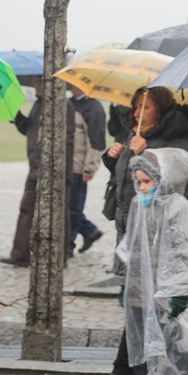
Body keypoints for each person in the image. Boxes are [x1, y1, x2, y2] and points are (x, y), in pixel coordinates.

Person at [93, 86, 188, 375]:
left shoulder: (180, 136)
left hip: (161, 236)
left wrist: (145, 151)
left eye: (144, 108)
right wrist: (113, 158)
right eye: (135, 107)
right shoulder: (133, 133)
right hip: (133, 226)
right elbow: (127, 177)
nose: (136, 113)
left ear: (162, 111)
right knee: (137, 308)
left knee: (156, 317)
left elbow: (180, 170)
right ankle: (130, 373)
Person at [117, 148, 188, 375]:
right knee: (143, 353)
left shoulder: (179, 210)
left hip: (166, 295)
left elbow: (185, 254)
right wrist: (125, 284)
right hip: (140, 292)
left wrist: (179, 293)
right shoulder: (138, 206)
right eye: (138, 181)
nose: (141, 188)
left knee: (172, 344)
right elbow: (130, 249)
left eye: (147, 182)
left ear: (164, 179)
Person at [0, 76, 74, 266]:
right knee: (27, 208)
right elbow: (28, 128)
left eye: (40, 81)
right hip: (35, 168)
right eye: (35, 81)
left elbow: (68, 141)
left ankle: (60, 256)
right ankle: (21, 255)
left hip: (55, 170)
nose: (36, 85)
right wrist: (14, 113)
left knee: (59, 212)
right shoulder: (38, 105)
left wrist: (61, 172)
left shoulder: (63, 106)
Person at [68, 84, 107, 254]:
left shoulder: (94, 108)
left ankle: (68, 243)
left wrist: (89, 168)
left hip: (79, 167)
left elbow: (97, 141)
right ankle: (90, 231)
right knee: (67, 207)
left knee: (73, 207)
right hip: (66, 166)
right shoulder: (69, 103)